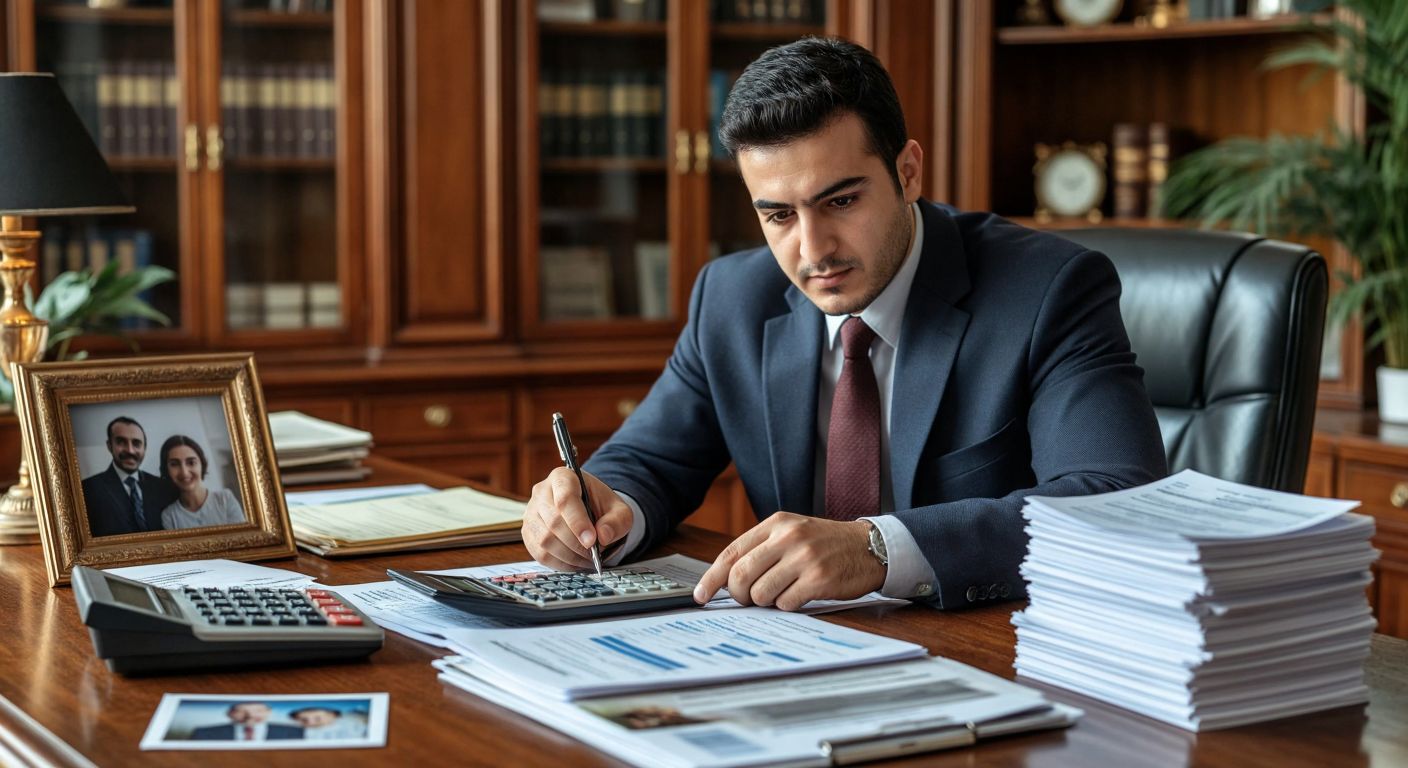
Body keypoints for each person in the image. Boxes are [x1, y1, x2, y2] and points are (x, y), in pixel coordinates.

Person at [523, 37, 1167, 612]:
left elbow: (1114, 500)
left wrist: (878, 549)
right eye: (778, 215)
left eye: (840, 201)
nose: (813, 249)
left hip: (995, 648)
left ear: (907, 172)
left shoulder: (1048, 290)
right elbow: (650, 461)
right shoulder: (732, 297)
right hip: (791, 652)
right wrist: (600, 513)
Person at [80, 416, 179, 537]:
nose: (130, 450)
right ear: (109, 445)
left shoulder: (164, 488)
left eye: (136, 444)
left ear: (144, 448)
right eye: (121, 442)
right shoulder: (86, 490)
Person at [159, 435, 245, 530]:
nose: (184, 472)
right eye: (174, 464)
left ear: (202, 465)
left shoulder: (225, 499)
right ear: (166, 470)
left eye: (191, 462)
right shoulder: (169, 516)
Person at [188, 702, 302, 741]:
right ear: (230, 713)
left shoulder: (294, 731)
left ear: (268, 712)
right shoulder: (202, 733)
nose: (250, 716)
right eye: (241, 711)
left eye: (258, 711)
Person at [289, 706, 367, 740]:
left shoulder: (351, 726)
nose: (311, 723)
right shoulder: (301, 731)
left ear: (332, 716)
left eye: (317, 719)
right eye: (304, 720)